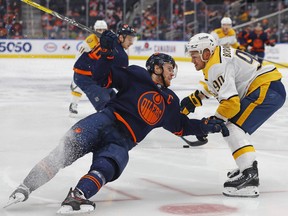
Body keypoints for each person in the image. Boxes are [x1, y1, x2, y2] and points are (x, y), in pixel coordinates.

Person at [6, 33, 229, 214]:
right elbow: (101, 77)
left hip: (123, 142)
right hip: (103, 121)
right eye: (170, 68)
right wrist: (105, 52)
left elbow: (182, 126)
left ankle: (77, 198)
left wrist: (207, 125)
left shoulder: (170, 101)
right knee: (63, 153)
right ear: (158, 67)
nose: (174, 73)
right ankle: (25, 186)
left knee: (106, 168)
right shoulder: (136, 74)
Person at [181, 33, 286, 198]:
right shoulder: (216, 57)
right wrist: (195, 99)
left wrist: (214, 121)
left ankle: (249, 176)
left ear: (206, 53)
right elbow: (215, 84)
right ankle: (247, 167)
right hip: (269, 87)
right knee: (232, 125)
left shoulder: (216, 65)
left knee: (232, 127)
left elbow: (231, 103)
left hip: (266, 89)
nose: (192, 60)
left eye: (194, 56)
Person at [69, 23, 136, 117]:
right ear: (121, 38)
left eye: (133, 39)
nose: (132, 42)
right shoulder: (119, 53)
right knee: (106, 108)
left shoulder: (111, 44)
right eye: (130, 39)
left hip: (95, 75)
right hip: (86, 77)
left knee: (116, 105)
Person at [69, 20, 108, 116]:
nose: (101, 32)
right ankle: (73, 104)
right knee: (78, 87)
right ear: (95, 30)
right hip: (85, 68)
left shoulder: (108, 40)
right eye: (99, 30)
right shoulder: (89, 42)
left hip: (98, 68)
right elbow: (79, 56)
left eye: (103, 30)